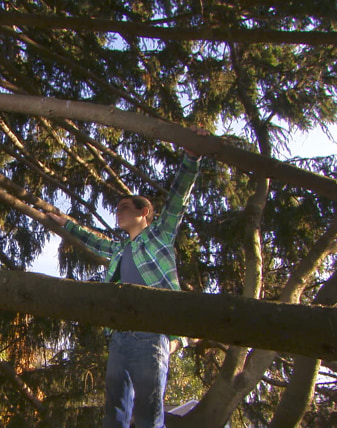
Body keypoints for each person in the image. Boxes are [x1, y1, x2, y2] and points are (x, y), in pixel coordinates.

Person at [48, 147, 202, 428]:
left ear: (144, 213)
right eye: (117, 208)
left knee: (148, 414)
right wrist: (64, 224)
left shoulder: (160, 237)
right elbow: (94, 241)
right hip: (119, 338)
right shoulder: (120, 250)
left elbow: (177, 199)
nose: (117, 212)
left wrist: (192, 157)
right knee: (115, 413)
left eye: (124, 208)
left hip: (150, 336)